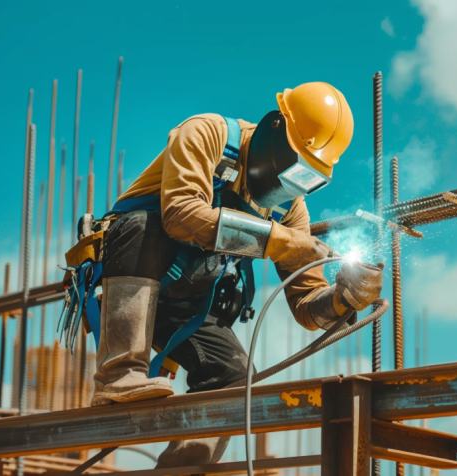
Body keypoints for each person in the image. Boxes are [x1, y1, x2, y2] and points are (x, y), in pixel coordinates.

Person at [84, 82, 383, 469]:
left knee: (236, 379)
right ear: (274, 128)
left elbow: (308, 308)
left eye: (308, 177)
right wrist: (277, 242)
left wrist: (345, 298)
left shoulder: (290, 209)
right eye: (295, 166)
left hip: (187, 306)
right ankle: (119, 374)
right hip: (133, 277)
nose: (293, 185)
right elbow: (180, 214)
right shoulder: (207, 133)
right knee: (144, 224)